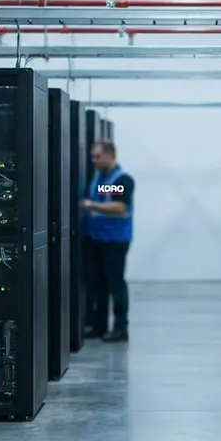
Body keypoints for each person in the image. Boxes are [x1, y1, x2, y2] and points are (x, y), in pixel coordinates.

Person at [80, 140, 134, 342]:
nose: (93, 160)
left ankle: (121, 328)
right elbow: (104, 197)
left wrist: (91, 206)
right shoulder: (101, 179)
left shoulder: (122, 180)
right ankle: (98, 325)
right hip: (96, 238)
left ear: (110, 155)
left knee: (115, 284)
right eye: (92, 156)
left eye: (98, 156)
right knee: (98, 284)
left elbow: (119, 206)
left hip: (115, 240)